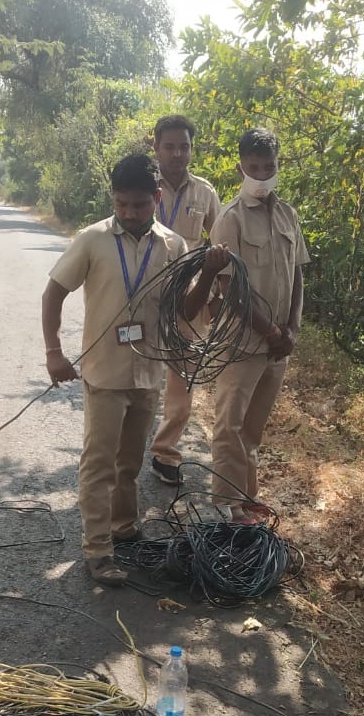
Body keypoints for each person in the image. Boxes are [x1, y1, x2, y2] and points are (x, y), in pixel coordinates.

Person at [42, 153, 228, 586]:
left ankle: (124, 528)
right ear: (113, 199)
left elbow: (184, 310)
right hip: (104, 374)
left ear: (157, 199)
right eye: (121, 204)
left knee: (130, 461)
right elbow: (53, 293)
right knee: (99, 463)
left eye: (139, 205)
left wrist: (208, 274)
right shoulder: (92, 240)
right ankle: (97, 549)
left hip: (148, 372)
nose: (129, 213)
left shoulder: (173, 247)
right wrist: (54, 352)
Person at [184, 128, 309, 520]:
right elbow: (230, 290)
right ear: (241, 167)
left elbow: (299, 275)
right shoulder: (229, 220)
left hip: (278, 348)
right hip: (242, 345)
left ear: (277, 166)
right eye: (253, 167)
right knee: (229, 428)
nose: (261, 174)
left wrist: (292, 329)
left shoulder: (288, 214)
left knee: (253, 431)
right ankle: (227, 508)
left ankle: (247, 498)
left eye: (268, 167)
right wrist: (270, 331)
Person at [147, 115, 223, 486]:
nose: (178, 153)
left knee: (183, 378)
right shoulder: (143, 184)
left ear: (192, 149)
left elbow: (223, 245)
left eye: (184, 146)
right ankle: (129, 443)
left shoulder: (205, 193)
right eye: (170, 146)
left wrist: (220, 293)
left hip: (191, 299)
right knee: (139, 372)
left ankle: (165, 452)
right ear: (156, 147)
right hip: (145, 294)